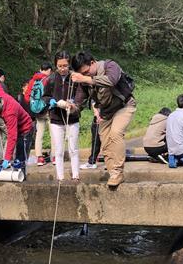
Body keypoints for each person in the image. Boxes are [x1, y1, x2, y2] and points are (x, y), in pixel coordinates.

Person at [71, 51, 136, 189]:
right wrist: (72, 107)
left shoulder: (110, 66)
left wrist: (86, 79)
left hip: (124, 106)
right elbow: (80, 100)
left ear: (93, 62)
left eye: (87, 71)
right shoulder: (85, 80)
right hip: (106, 111)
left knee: (116, 134)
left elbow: (111, 81)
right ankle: (114, 173)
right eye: (83, 74)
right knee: (105, 141)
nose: (86, 75)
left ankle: (118, 171)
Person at [0, 64, 34, 175]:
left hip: (26, 129)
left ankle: (22, 177)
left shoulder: (10, 112)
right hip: (18, 128)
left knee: (21, 157)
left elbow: (12, 136)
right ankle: (15, 171)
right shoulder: (0, 95)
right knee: (16, 157)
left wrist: (6, 158)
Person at [43, 51, 80, 182]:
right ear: (56, 65)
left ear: (69, 64)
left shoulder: (75, 78)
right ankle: (60, 176)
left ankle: (75, 174)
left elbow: (81, 96)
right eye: (60, 66)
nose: (63, 68)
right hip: (56, 119)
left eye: (65, 65)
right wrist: (52, 102)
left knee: (73, 148)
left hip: (73, 118)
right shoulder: (51, 79)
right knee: (58, 150)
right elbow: (45, 97)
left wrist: (74, 104)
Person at [24, 62, 53, 166]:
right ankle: (54, 157)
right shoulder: (50, 79)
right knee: (53, 134)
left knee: (39, 134)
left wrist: (34, 105)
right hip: (49, 110)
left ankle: (39, 158)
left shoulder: (33, 80)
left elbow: (27, 96)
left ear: (40, 69)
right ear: (49, 70)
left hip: (38, 112)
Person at [80, 102, 101, 169]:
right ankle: (92, 162)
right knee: (95, 137)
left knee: (110, 138)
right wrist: (96, 112)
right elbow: (93, 100)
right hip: (99, 113)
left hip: (110, 112)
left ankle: (112, 163)